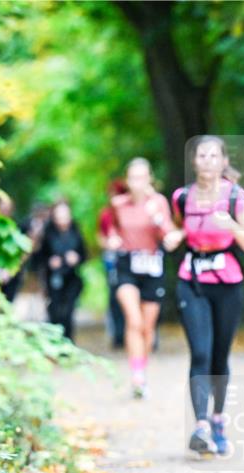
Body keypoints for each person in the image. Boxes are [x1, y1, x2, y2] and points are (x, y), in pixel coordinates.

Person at [165, 136, 244, 457]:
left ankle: (218, 421)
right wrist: (176, 235)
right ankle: (201, 426)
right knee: (200, 353)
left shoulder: (235, 196)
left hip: (228, 283)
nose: (206, 160)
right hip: (191, 281)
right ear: (194, 162)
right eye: (201, 155)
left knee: (220, 357)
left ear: (223, 161)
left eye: (213, 155)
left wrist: (231, 224)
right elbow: (179, 227)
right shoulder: (182, 197)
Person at [107, 158, 174, 398]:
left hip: (152, 266)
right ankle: (135, 375)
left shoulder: (158, 203)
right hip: (127, 265)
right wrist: (112, 240)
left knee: (147, 327)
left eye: (142, 177)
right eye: (133, 178)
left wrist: (158, 220)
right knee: (133, 321)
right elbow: (111, 230)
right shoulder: (118, 204)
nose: (137, 182)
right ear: (127, 180)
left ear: (149, 180)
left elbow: (167, 233)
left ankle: (141, 371)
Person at [41, 199, 86, 341]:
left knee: (68, 310)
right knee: (54, 310)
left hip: (72, 277)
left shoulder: (76, 231)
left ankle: (68, 342)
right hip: (53, 277)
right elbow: (39, 257)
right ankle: (54, 341)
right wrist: (50, 261)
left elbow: (84, 254)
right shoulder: (48, 233)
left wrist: (76, 258)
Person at [98, 179, 128, 349]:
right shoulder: (106, 214)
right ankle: (118, 334)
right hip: (111, 259)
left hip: (130, 259)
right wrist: (108, 243)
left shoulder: (131, 212)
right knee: (114, 296)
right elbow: (100, 236)